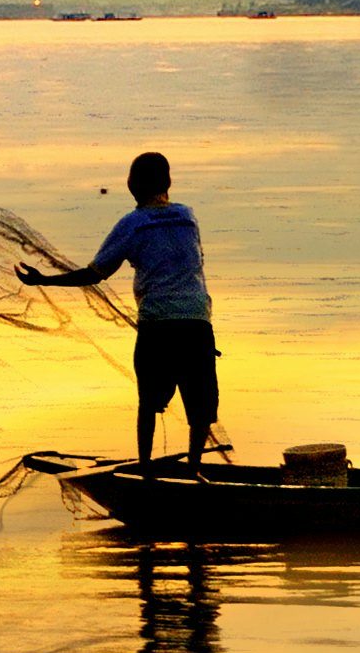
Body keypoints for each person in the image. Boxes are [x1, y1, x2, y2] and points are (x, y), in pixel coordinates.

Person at [20, 150, 218, 469]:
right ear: (168, 182)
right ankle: (195, 468)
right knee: (201, 405)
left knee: (149, 403)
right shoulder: (187, 217)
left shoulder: (132, 224)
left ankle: (144, 471)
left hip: (158, 325)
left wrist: (44, 280)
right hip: (197, 322)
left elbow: (95, 274)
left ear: (131, 185)